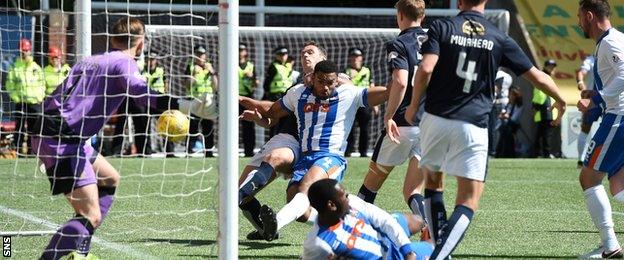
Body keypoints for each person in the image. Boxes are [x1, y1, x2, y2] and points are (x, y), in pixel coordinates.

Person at [30, 17, 215, 259]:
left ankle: (80, 253)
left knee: (109, 179)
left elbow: (58, 94)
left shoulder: (92, 59)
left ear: (113, 38)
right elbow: (142, 94)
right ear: (140, 45)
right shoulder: (124, 63)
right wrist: (188, 105)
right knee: (90, 214)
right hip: (62, 138)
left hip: (54, 130)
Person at [403, 0, 565, 258]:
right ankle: (440, 255)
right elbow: (536, 76)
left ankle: (439, 250)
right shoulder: (497, 36)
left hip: (435, 119)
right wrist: (560, 98)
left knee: (434, 186)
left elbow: (425, 69)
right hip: (473, 124)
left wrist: (413, 106)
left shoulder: (442, 27)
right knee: (468, 200)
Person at [241, 60, 389, 242]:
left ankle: (276, 223)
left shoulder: (350, 93)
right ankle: (342, 222)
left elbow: (386, 92)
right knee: (299, 209)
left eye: (330, 82)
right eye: (321, 81)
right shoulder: (298, 93)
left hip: (331, 157)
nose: (325, 87)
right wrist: (258, 114)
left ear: (337, 81)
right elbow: (273, 111)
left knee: (305, 188)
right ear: (313, 79)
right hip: (305, 158)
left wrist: (403, 80)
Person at [356, 0, 441, 242]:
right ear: (422, 16)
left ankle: (353, 236)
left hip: (404, 124)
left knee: (370, 186)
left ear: (400, 15)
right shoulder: (437, 41)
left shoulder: (399, 42)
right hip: (432, 126)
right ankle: (429, 230)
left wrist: (388, 115)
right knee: (412, 191)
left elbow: (401, 81)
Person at [237, 41, 328, 241]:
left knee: (278, 160)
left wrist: (242, 99)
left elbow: (347, 86)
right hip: (282, 138)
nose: (305, 55)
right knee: (240, 189)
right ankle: (267, 228)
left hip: (304, 145)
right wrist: (259, 118)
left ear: (323, 58)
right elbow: (272, 118)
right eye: (303, 52)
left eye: (310, 52)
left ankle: (339, 223)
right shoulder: (296, 88)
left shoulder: (334, 82)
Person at [576, 0, 624, 258]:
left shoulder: (610, 41)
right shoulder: (612, 40)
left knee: (588, 178)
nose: (578, 23)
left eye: (579, 17)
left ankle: (611, 246)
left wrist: (597, 98)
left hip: (619, 118)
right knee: (618, 186)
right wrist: (597, 92)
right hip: (618, 115)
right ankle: (610, 244)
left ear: (590, 16)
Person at [303, 178, 434, 260]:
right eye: (343, 196)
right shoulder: (318, 244)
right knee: (436, 250)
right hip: (388, 256)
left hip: (384, 237)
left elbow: (383, 220)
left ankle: (422, 239)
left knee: (416, 220)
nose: (348, 198)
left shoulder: (352, 203)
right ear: (331, 205)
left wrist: (408, 250)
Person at [5, 38, 45, 154]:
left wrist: (39, 97)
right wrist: (16, 98)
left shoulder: (36, 67)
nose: (25, 53)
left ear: (30, 51)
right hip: (21, 103)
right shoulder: (15, 67)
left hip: (34, 103)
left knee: (34, 129)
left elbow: (42, 84)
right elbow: (9, 84)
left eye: (27, 50)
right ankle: (18, 152)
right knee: (20, 128)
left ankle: (32, 152)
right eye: (23, 50)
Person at [344, 47, 376, 157]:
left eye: (357, 56)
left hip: (364, 102)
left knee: (365, 128)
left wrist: (375, 104)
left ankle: (363, 152)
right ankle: (347, 151)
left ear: (361, 58)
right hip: (350, 103)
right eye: (353, 57)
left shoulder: (367, 70)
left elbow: (372, 86)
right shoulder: (346, 71)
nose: (355, 59)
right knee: (349, 128)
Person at [186, 45, 217, 157]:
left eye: (202, 54)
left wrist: (212, 72)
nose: (200, 56)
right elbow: (186, 84)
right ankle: (190, 150)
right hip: (194, 100)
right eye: (198, 54)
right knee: (192, 127)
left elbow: (216, 86)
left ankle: (209, 151)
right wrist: (193, 74)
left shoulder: (210, 67)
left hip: (208, 102)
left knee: (208, 127)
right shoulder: (191, 67)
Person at [142, 52, 175, 156]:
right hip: (146, 101)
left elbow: (166, 83)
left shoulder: (161, 70)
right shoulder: (142, 71)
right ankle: (146, 152)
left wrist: (165, 95)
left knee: (166, 125)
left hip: (159, 101)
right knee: (144, 127)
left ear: (156, 60)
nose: (151, 61)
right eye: (148, 59)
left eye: (153, 59)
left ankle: (170, 152)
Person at [263, 46, 293, 138]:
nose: (283, 56)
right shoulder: (274, 66)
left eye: (285, 54)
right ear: (276, 55)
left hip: (286, 96)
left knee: (285, 121)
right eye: (280, 54)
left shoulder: (288, 66)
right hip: (275, 96)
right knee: (274, 122)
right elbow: (266, 83)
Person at [532, 59, 559, 158]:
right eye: (550, 66)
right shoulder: (544, 76)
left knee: (542, 134)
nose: (552, 68)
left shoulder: (548, 76)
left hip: (546, 109)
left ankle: (538, 154)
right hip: (544, 110)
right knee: (545, 134)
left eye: (553, 66)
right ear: (545, 66)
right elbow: (539, 92)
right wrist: (537, 105)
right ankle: (545, 154)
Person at [576, 54, 599, 168]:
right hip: (593, 100)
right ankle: (580, 159)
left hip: (609, 99)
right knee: (585, 129)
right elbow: (581, 72)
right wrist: (580, 82)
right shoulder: (591, 59)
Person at [239, 43, 258, 157]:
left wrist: (252, 77)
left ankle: (249, 151)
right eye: (238, 50)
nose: (240, 52)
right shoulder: (230, 63)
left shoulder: (250, 65)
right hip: (233, 98)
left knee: (248, 126)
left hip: (246, 98)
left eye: (242, 50)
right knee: (230, 125)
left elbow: (256, 83)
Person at [489, 70, 512, 157]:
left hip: (497, 103)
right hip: (502, 103)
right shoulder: (508, 76)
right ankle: (493, 151)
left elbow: (497, 88)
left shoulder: (500, 74)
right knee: (494, 128)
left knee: (493, 128)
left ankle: (492, 151)